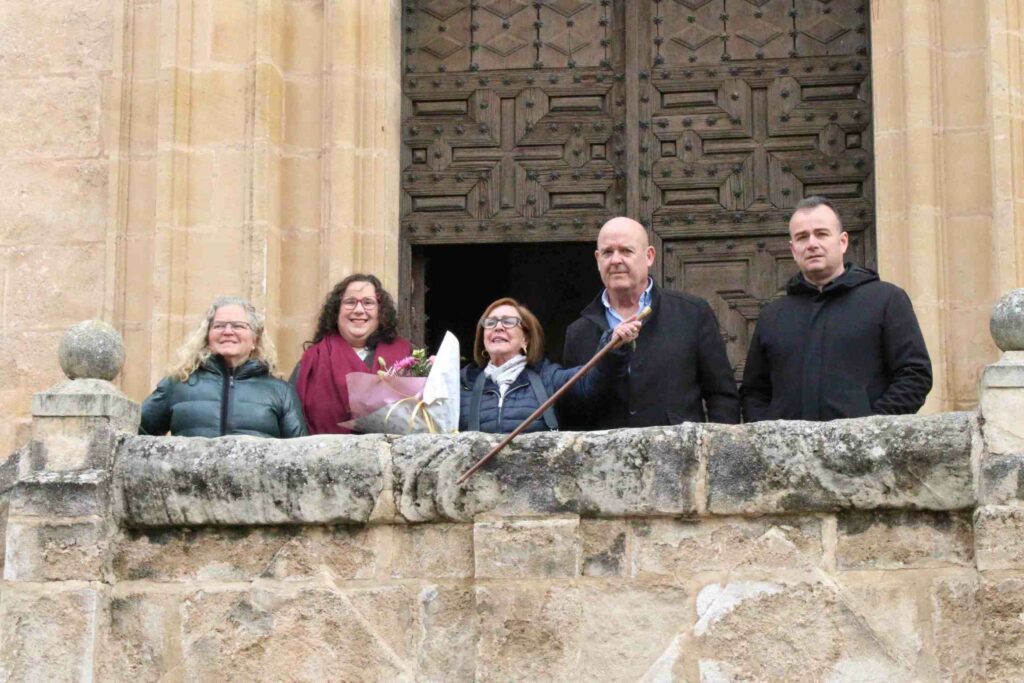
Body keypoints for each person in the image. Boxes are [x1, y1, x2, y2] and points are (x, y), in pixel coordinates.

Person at [740, 196, 932, 421]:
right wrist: (768, 437)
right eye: (802, 237)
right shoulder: (773, 316)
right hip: (787, 454)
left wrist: (871, 428)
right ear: (793, 249)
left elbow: (915, 375)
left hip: (864, 450)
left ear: (842, 242)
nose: (812, 244)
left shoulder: (887, 300)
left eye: (821, 234)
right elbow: (754, 392)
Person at [562, 217, 740, 428]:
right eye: (608, 252)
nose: (616, 260)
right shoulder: (578, 332)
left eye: (626, 251)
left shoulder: (692, 313)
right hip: (607, 459)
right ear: (598, 259)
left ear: (649, 256)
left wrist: (716, 453)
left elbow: (721, 395)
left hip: (679, 456)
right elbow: (572, 408)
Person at [460, 297, 641, 433]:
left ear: (526, 338)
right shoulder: (463, 383)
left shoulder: (548, 378)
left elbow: (592, 382)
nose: (498, 327)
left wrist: (612, 348)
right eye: (490, 323)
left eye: (508, 322)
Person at [140, 296, 307, 438]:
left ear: (254, 339)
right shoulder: (177, 383)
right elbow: (138, 431)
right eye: (219, 326)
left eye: (238, 326)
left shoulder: (281, 392)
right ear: (207, 336)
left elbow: (298, 455)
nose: (227, 331)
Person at [292, 274, 413, 434]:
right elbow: (292, 419)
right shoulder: (313, 359)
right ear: (336, 311)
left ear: (380, 311)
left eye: (368, 303)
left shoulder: (405, 355)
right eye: (350, 302)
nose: (358, 310)